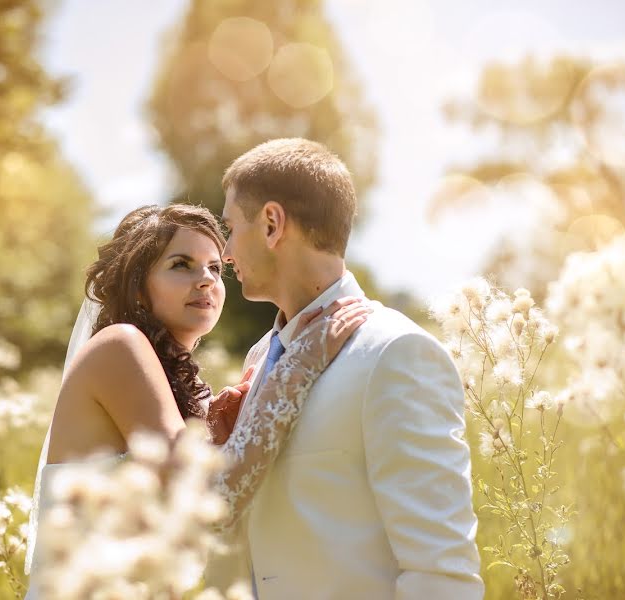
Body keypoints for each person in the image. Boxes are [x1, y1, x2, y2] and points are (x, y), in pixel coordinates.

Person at [23, 204, 371, 598]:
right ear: (138, 286)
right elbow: (209, 498)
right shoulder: (119, 347)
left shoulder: (178, 382)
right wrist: (298, 367)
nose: (205, 280)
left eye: (213, 267)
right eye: (181, 264)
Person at [218, 138, 484, 599]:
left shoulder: (396, 353)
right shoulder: (260, 357)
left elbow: (441, 573)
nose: (224, 252)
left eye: (229, 228)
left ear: (271, 224)